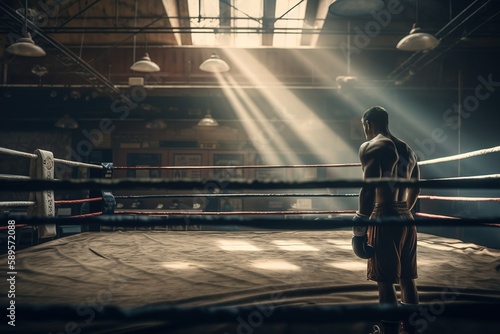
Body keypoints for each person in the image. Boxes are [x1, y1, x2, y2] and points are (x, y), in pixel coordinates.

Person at [352, 106, 420, 334]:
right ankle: (410, 329)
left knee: (385, 280)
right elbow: (416, 189)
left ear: (368, 124)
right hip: (406, 216)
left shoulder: (372, 146)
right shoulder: (409, 151)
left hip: (385, 214)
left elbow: (368, 189)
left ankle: (389, 331)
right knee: (407, 277)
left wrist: (359, 227)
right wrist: (402, 213)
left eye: (364, 128)